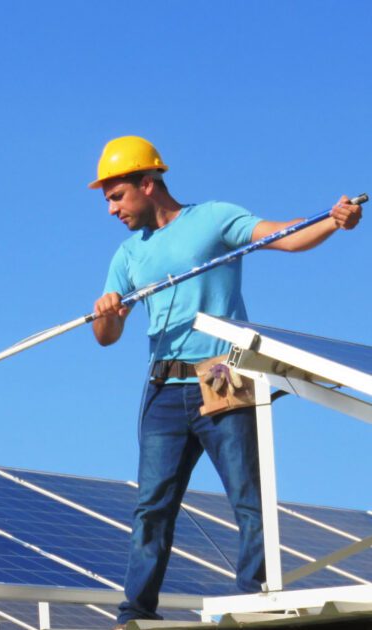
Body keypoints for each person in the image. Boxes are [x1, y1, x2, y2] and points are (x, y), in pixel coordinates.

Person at [88, 136, 362, 628]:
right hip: (163, 391)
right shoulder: (128, 254)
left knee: (247, 495)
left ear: (147, 184)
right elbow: (106, 337)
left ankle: (254, 595)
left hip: (223, 378)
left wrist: (331, 220)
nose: (111, 210)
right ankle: (135, 612)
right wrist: (106, 313)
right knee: (152, 505)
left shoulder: (212, 219)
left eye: (116, 196)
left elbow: (284, 235)